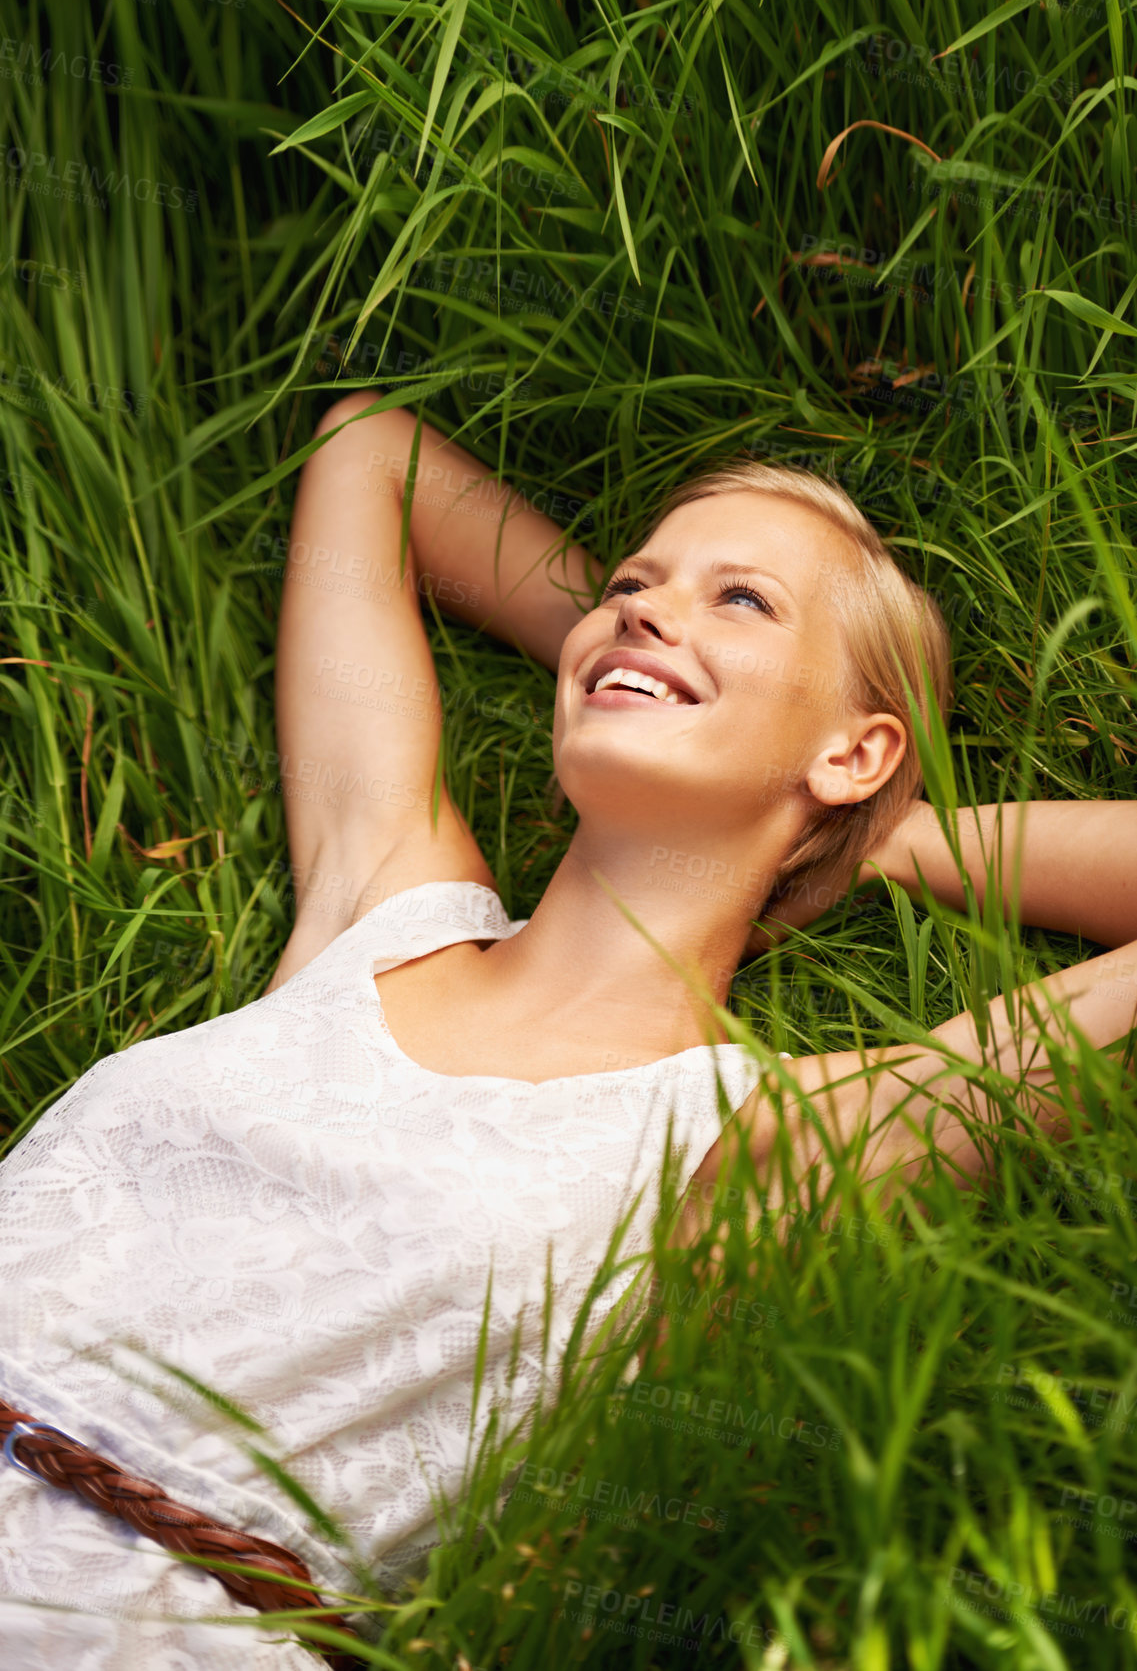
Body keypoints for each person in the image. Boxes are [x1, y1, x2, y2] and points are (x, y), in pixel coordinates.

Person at [0, 389, 1133, 1669]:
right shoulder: (382, 909)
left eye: (742, 600)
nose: (645, 601)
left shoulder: (768, 1144)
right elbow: (372, 450)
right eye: (635, 580)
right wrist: (633, 661)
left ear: (858, 749)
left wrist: (883, 836)